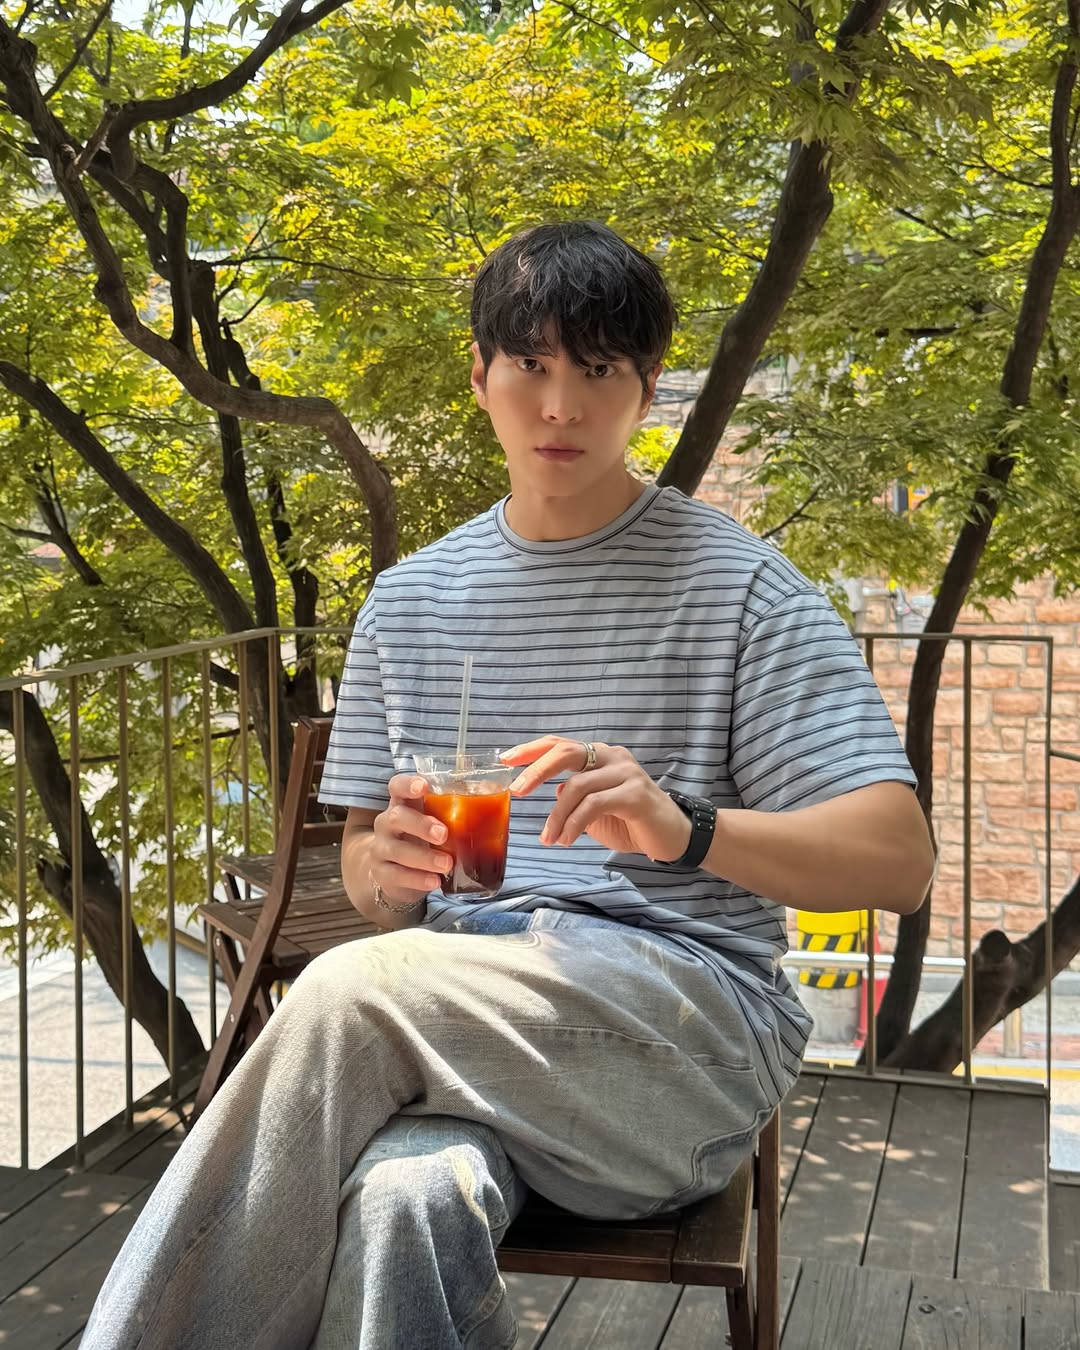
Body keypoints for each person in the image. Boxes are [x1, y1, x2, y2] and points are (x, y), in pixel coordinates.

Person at [83, 221, 934, 1350]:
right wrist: (386, 872)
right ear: (480, 374)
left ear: (648, 389)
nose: (561, 406)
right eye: (530, 364)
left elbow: (900, 861)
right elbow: (368, 871)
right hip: (460, 1010)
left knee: (346, 993)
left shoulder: (742, 590)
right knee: (404, 1202)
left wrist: (684, 829)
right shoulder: (411, 601)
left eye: (600, 370)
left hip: (683, 1042)